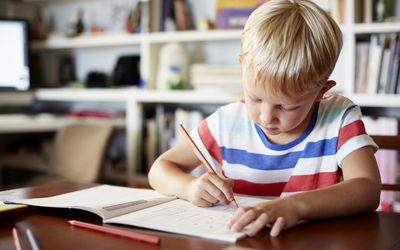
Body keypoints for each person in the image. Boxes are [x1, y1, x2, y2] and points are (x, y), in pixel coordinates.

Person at [148, 0, 381, 237]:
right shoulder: (226, 123)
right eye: (255, 98)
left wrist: (296, 206)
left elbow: (367, 188)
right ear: (242, 66)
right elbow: (159, 169)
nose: (266, 116)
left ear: (321, 91)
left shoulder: (339, 118)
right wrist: (189, 187)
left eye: (285, 106)